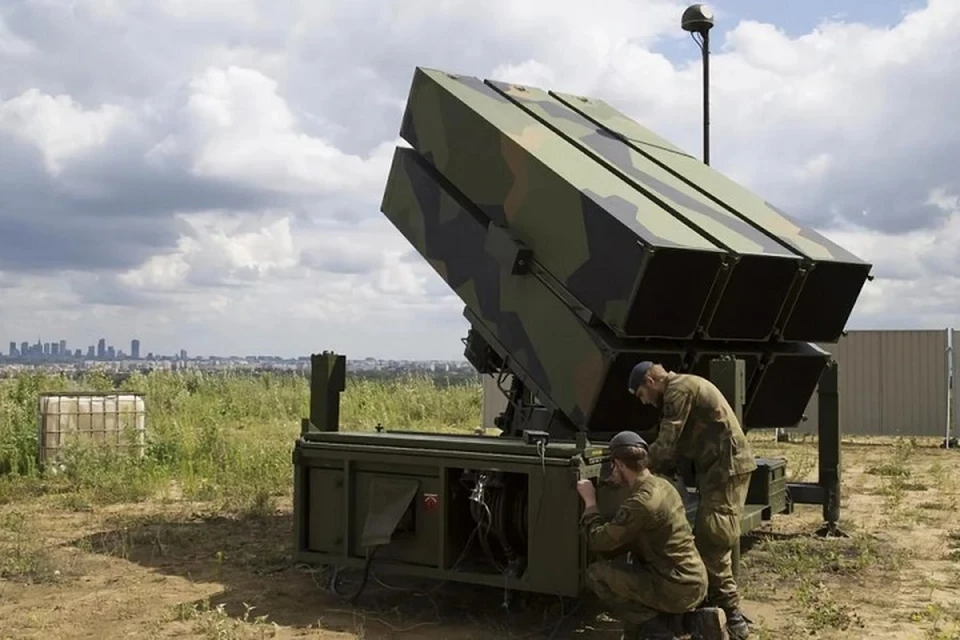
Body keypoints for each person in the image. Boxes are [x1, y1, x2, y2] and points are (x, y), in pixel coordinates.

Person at [627, 360, 755, 640]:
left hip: (725, 469)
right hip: (719, 469)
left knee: (713, 538)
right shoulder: (683, 386)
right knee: (710, 536)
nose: (645, 402)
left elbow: (667, 441)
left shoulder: (678, 390)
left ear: (650, 381)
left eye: (641, 395)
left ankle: (731, 616)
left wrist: (639, 469)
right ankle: (712, 611)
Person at [576, 430, 727, 640]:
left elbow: (600, 541)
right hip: (694, 580)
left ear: (619, 465)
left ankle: (657, 634)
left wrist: (590, 502)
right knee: (636, 574)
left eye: (613, 465)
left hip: (674, 586)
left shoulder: (641, 503)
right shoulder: (663, 485)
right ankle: (695, 621)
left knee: (597, 574)